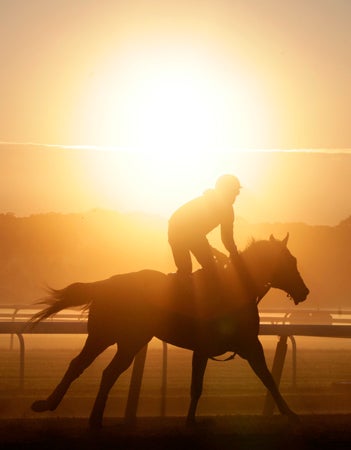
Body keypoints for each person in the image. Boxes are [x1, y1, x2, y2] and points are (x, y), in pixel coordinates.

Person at [168, 174, 242, 293]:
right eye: (233, 192)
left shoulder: (227, 210)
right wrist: (219, 253)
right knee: (186, 269)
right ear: (224, 191)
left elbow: (227, 239)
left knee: (213, 267)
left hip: (193, 234)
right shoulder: (209, 203)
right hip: (177, 229)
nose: (235, 196)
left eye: (237, 193)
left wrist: (235, 255)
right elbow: (193, 236)